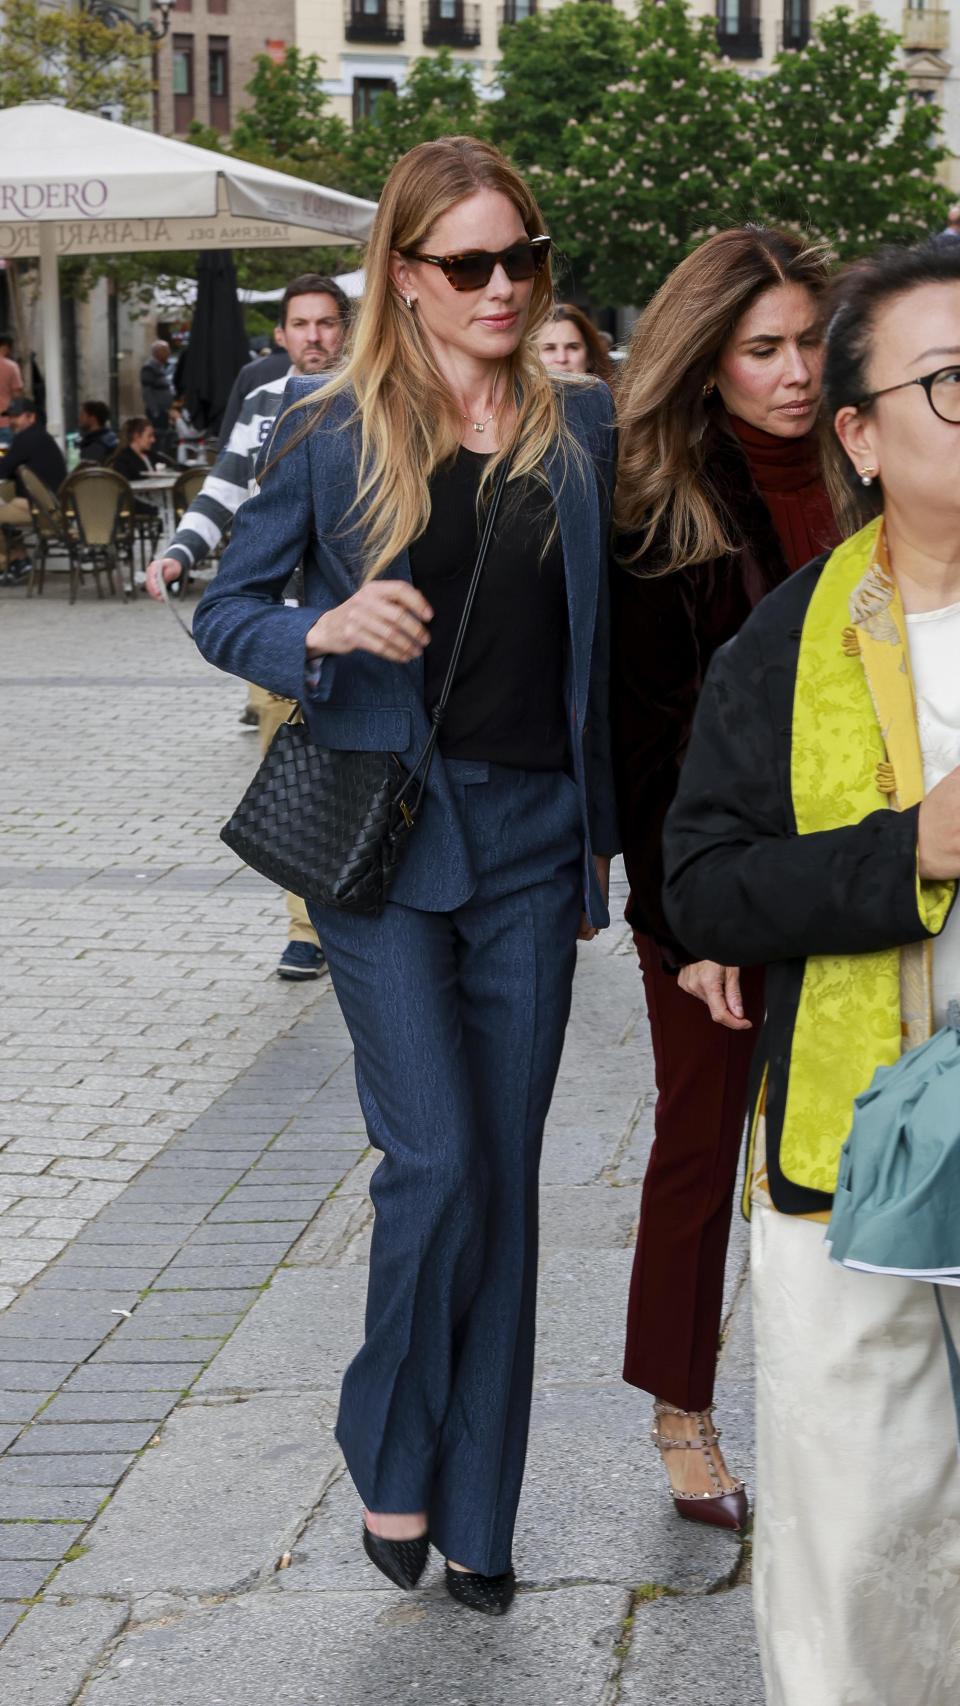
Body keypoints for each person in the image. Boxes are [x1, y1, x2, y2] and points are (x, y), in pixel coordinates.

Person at [190, 135, 617, 1614]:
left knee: (503, 1180)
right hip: (383, 841)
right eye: (469, 264)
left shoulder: (583, 428)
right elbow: (222, 607)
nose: (503, 287)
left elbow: (612, 647)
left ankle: (481, 1509)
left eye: (521, 259)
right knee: (434, 1162)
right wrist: (319, 629)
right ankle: (388, 1435)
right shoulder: (324, 427)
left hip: (533, 846)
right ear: (405, 275)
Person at [662, 237, 960, 1705]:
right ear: (859, 430)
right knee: (858, 1532)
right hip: (852, 1151)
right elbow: (704, 879)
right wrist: (916, 845)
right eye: (953, 380)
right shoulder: (785, 643)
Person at [611, 226, 838, 1530]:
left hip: (861, 865)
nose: (797, 371)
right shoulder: (665, 502)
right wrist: (686, 921)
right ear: (709, 362)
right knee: (701, 1140)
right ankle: (680, 1404)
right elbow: (644, 739)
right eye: (764, 349)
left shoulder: (874, 465)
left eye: (810, 340)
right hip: (713, 877)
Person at [145, 274, 349, 982]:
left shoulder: (370, 396)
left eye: (328, 323)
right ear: (283, 335)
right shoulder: (265, 401)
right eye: (303, 324)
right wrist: (179, 551)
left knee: (360, 774)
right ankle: (307, 927)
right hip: (283, 633)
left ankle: (356, 908)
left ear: (344, 329)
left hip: (357, 630)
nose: (316, 337)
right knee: (293, 774)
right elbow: (226, 486)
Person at [0, 395, 67, 583]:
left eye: (17, 416)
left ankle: (7, 563)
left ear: (31, 417)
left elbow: (3, 468)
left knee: (3, 512)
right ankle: (19, 559)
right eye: (10, 417)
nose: (12, 421)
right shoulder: (39, 437)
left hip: (40, 508)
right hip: (49, 505)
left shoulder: (26, 438)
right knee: (6, 511)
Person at [536, 303, 614, 384]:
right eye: (550, 348)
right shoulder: (522, 396)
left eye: (572, 347)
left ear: (590, 356)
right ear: (531, 355)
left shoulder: (609, 395)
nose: (562, 358)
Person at [140, 340, 174, 444]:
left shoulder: (161, 367)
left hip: (164, 411)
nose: (169, 353)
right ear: (157, 352)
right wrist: (155, 412)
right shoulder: (149, 367)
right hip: (157, 413)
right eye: (165, 350)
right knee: (158, 439)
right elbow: (147, 392)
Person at [77, 400, 118, 466]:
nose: (79, 418)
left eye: (82, 415)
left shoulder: (94, 445)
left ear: (92, 418)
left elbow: (89, 473)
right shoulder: (111, 437)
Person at [0, 333, 24, 438]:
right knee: (2, 453)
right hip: (4, 422)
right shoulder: (11, 367)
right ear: (6, 347)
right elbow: (17, 395)